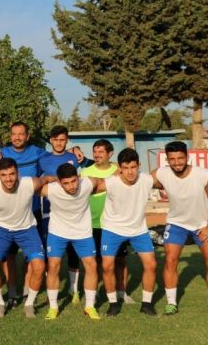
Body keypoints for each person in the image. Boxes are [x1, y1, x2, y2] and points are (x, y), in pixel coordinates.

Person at [0, 157, 46, 319]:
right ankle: (0, 303)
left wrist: (61, 180)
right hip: (1, 229)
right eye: (4, 175)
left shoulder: (29, 183)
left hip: (27, 229)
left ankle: (29, 304)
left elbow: (46, 179)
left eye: (12, 174)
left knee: (39, 266)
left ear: (18, 173)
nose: (8, 178)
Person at [152, 141, 208, 315]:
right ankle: (171, 303)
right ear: (167, 159)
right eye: (172, 159)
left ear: (187, 157)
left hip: (202, 224)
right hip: (176, 223)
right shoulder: (162, 173)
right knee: (170, 260)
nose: (177, 162)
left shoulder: (204, 175)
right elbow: (140, 180)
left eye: (180, 158)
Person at [99, 149, 158, 317]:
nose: (130, 172)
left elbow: (167, 177)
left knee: (151, 264)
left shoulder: (146, 179)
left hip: (138, 229)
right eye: (125, 168)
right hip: (112, 229)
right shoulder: (111, 182)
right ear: (119, 168)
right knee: (107, 266)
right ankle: (113, 304)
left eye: (133, 167)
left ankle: (147, 304)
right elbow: (90, 186)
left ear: (139, 165)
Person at [40, 163, 99, 320]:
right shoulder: (51, 189)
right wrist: (46, 178)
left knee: (91, 265)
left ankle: (90, 306)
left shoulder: (87, 183)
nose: (72, 186)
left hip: (82, 232)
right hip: (57, 232)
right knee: (53, 265)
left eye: (74, 181)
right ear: (59, 182)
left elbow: (102, 182)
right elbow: (29, 187)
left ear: (79, 177)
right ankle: (53, 307)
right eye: (66, 183)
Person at [79, 139, 132, 303]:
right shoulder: (85, 172)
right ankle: (93, 293)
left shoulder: (120, 170)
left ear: (110, 153)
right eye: (95, 151)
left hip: (116, 224)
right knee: (93, 261)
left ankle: (122, 292)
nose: (97, 155)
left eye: (101, 152)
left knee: (119, 260)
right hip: (92, 223)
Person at [37, 126, 83, 300]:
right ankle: (50, 287)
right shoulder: (43, 158)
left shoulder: (74, 157)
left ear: (67, 140)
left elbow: (89, 168)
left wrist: (76, 149)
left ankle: (73, 289)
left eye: (62, 139)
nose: (58, 143)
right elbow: (37, 181)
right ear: (50, 140)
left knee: (72, 250)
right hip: (49, 211)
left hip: (72, 212)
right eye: (55, 139)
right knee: (50, 251)